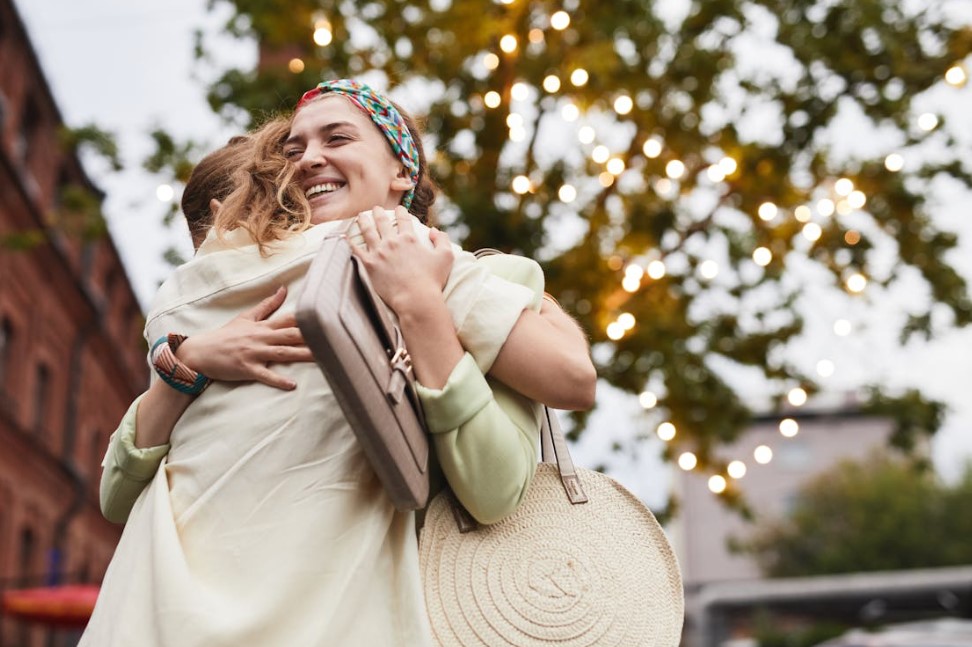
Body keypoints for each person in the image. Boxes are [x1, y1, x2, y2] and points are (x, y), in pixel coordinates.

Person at [83, 80, 595, 646]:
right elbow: (115, 495)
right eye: (293, 150)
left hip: (318, 608)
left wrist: (419, 301)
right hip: (174, 605)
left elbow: (504, 478)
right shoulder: (229, 290)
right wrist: (187, 362)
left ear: (402, 171)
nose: (309, 160)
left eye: (337, 137)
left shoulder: (458, 271)